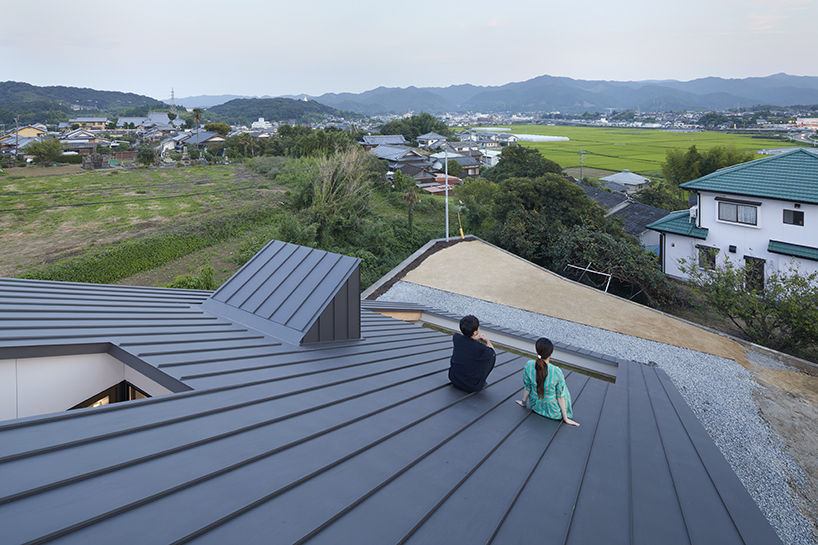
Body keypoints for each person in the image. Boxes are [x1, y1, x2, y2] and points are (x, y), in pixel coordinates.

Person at [516, 337, 579, 427]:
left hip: (535, 406)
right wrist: (566, 418)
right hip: (553, 412)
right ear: (551, 354)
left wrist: (523, 402)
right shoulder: (556, 371)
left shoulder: (529, 365)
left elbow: (528, 387)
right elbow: (560, 397)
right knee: (563, 390)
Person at [449, 315, 496, 392]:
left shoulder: (456, 338)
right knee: (491, 357)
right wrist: (487, 340)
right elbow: (492, 352)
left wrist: (475, 338)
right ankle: (481, 381)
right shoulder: (481, 348)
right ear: (475, 332)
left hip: (454, 379)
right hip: (472, 386)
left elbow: (467, 341)